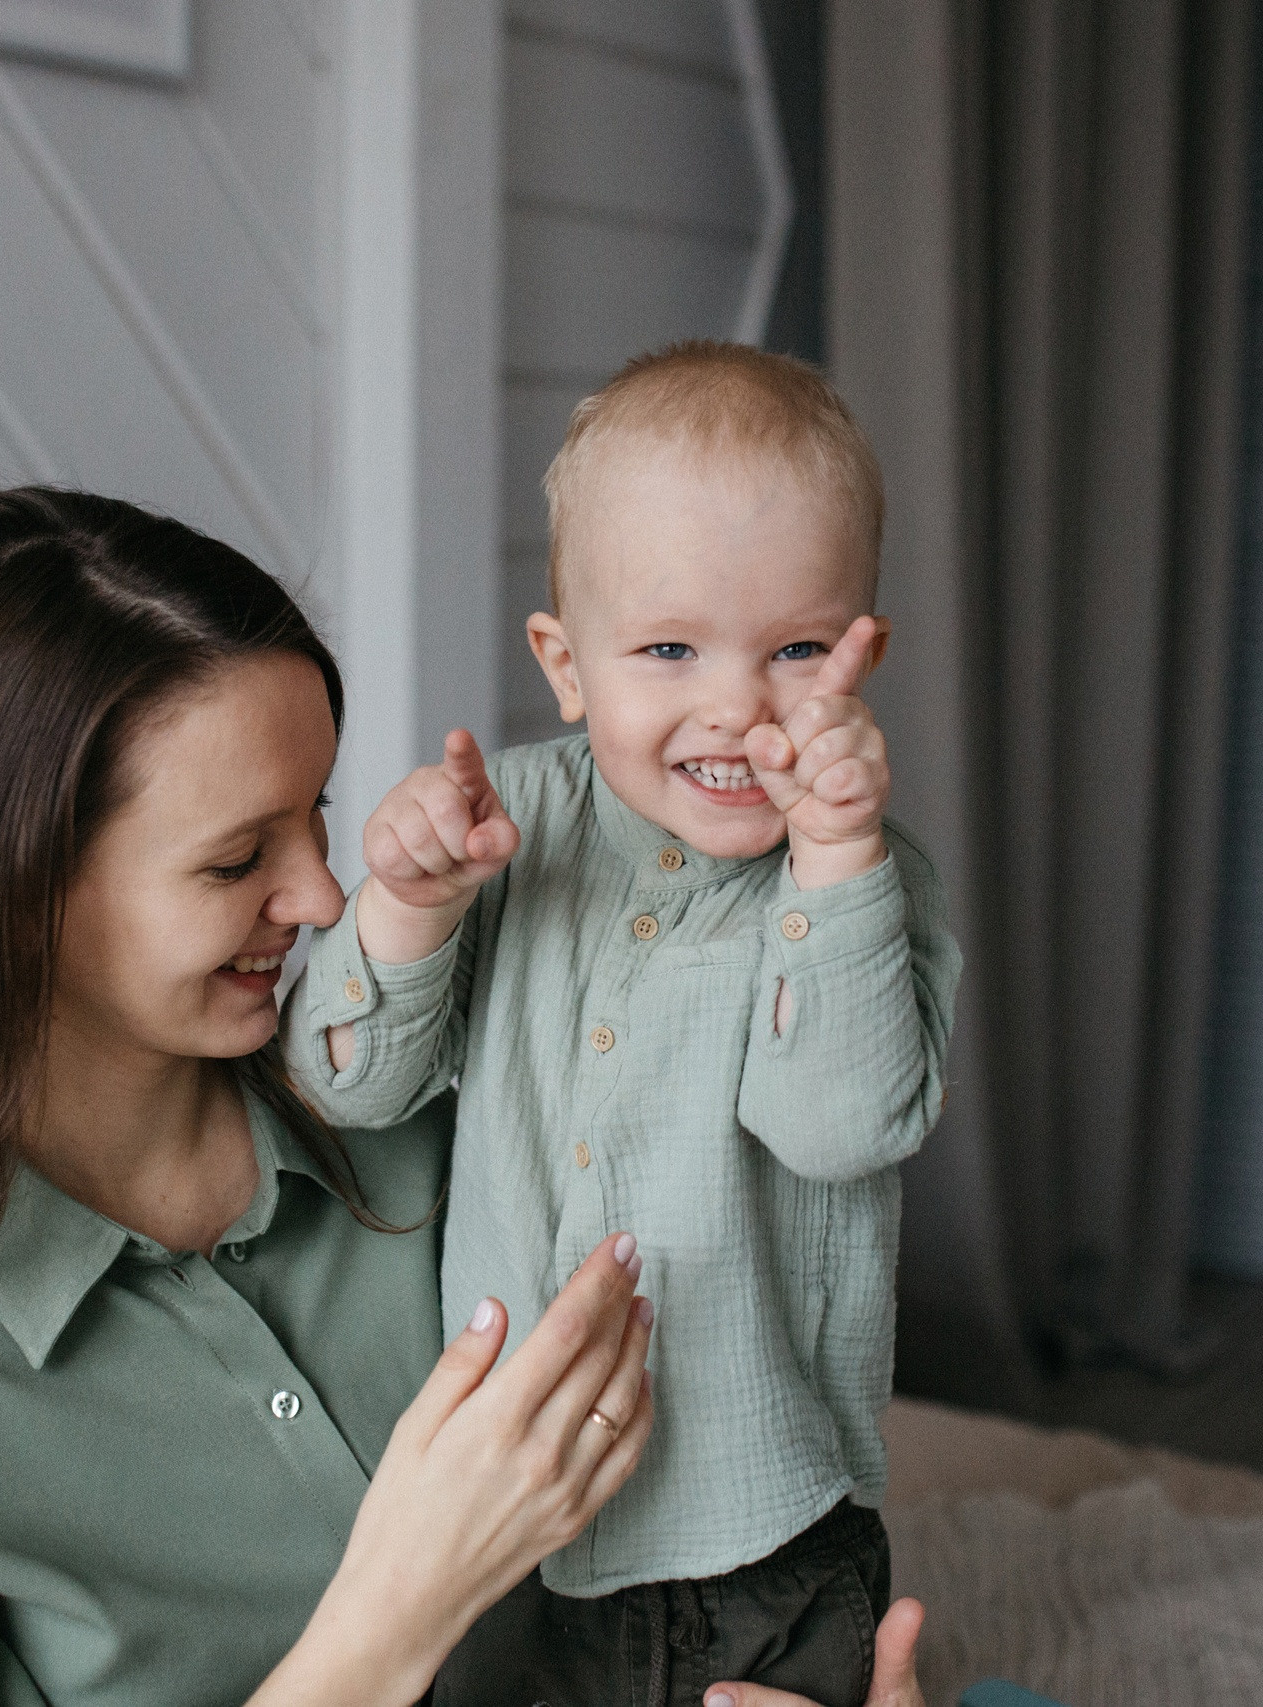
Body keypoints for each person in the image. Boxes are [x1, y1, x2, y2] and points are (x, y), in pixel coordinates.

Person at [0, 486, 926, 1707]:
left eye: (317, 815)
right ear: (5, 896)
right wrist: (390, 1620)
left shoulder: (441, 1118)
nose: (318, 901)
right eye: (237, 858)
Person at [284, 344, 961, 1706]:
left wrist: (832, 855)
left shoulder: (869, 884)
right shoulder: (509, 832)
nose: (734, 705)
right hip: (505, 1523)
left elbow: (841, 1126)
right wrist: (407, 906)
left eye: (797, 650)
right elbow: (343, 1087)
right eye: (668, 649)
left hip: (761, 1544)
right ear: (569, 664)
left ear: (864, 648)